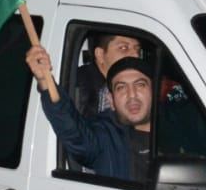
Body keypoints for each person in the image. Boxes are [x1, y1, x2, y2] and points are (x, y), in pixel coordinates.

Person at [28, 45, 153, 181]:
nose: (132, 94)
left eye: (140, 85)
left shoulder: (175, 131)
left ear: (154, 92)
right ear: (111, 100)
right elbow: (73, 131)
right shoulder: (106, 137)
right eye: (121, 88)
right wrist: (45, 81)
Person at [74, 33, 144, 118]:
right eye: (123, 48)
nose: (136, 55)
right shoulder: (78, 85)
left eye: (138, 49)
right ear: (100, 55)